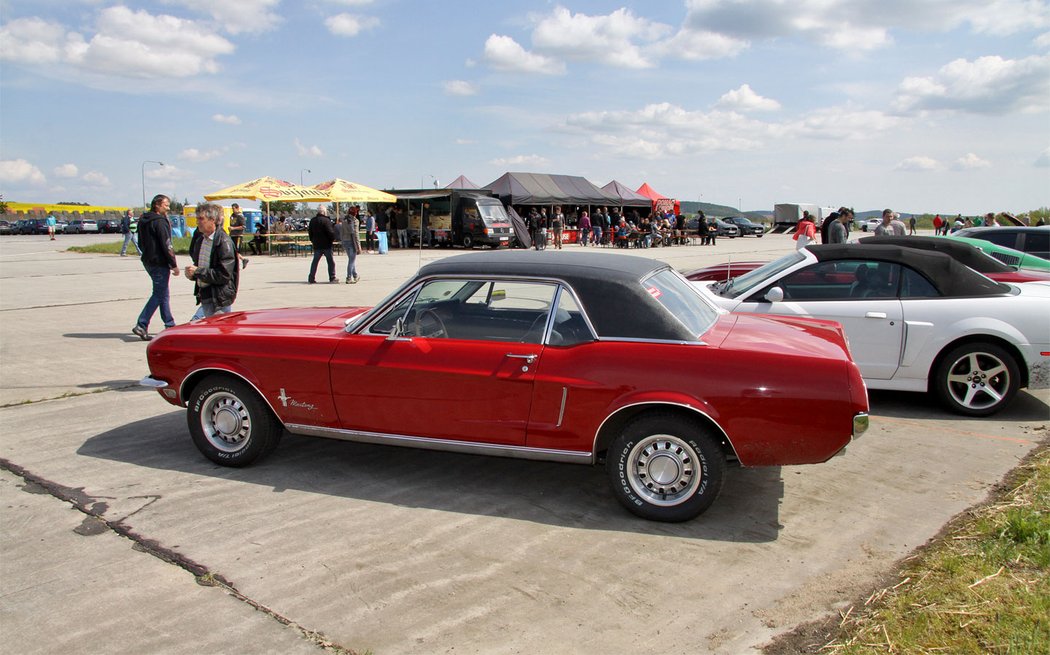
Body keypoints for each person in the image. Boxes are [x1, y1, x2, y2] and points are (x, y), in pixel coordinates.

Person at [132, 194, 178, 340]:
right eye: (166, 205)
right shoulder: (160, 222)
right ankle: (142, 324)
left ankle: (169, 325)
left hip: (148, 260)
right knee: (159, 294)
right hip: (159, 263)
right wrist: (173, 264)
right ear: (157, 205)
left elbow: (140, 242)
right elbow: (167, 244)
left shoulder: (143, 220)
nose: (168, 208)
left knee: (163, 293)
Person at [185, 202, 238, 319]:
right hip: (206, 295)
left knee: (220, 333)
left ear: (212, 220)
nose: (197, 222)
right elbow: (203, 266)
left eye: (201, 218)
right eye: (197, 218)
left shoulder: (223, 242)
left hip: (219, 299)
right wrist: (192, 274)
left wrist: (198, 272)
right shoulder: (201, 240)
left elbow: (224, 275)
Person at [307, 205, 337, 284]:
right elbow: (330, 232)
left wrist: (312, 240)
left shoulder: (312, 221)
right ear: (324, 212)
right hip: (327, 245)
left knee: (315, 262)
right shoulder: (326, 221)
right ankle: (332, 277)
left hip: (317, 244)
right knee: (330, 262)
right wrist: (333, 239)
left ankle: (311, 277)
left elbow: (310, 232)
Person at [339, 211, 362, 283]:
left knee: (351, 260)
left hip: (345, 241)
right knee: (351, 261)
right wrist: (359, 246)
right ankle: (348, 277)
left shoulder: (344, 220)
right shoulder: (355, 221)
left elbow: (341, 232)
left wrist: (342, 242)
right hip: (352, 242)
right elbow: (356, 234)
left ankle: (355, 275)